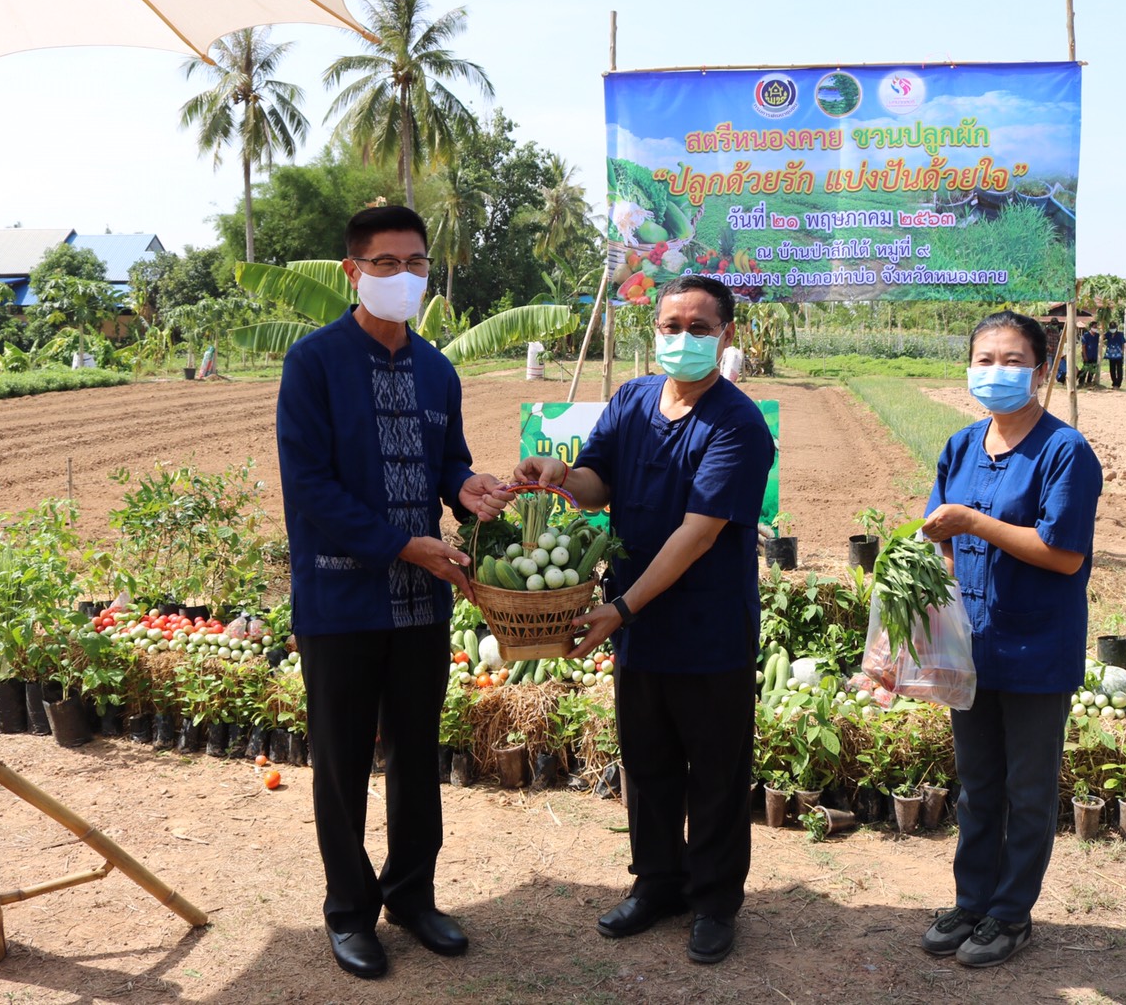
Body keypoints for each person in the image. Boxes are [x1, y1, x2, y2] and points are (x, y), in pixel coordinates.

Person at [276, 205, 513, 981]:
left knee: (416, 755)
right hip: (341, 602)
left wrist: (468, 486)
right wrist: (400, 543)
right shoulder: (313, 363)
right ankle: (351, 911)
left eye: (416, 264)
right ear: (353, 271)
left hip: (421, 602)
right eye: (386, 264)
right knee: (342, 762)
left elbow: (450, 462)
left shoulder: (437, 369)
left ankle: (412, 895)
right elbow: (310, 489)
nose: (403, 277)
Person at [513, 274, 773, 966]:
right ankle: (658, 882)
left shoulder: (738, 425)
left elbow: (697, 533)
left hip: (707, 627)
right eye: (669, 325)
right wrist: (560, 476)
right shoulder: (630, 399)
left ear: (726, 336)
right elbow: (599, 482)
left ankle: (716, 901)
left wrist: (622, 607)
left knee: (715, 772)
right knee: (650, 762)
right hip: (640, 627)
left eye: (697, 327)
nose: (680, 338)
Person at [916, 309, 1102, 968]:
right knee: (977, 784)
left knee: (1027, 790)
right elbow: (941, 541)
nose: (995, 372)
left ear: (1043, 369)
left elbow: (1063, 554)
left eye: (1012, 361)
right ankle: (972, 903)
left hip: (1035, 649)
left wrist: (973, 520)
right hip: (973, 645)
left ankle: (1009, 915)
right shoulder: (960, 447)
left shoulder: (1063, 451)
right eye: (985, 360)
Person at [1103, 321, 1126, 389]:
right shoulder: (1108, 334)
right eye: (1111, 328)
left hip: (1118, 354)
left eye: (1113, 328)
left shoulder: (1120, 334)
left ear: (1116, 328)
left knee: (1119, 370)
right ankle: (1114, 383)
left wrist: (1122, 352)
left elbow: (1123, 344)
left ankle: (1118, 384)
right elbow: (1102, 337)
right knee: (1112, 370)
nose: (1112, 329)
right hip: (1111, 355)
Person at [1078, 321, 1100, 387]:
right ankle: (1081, 382)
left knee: (1092, 370)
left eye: (1096, 327)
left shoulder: (1097, 335)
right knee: (1085, 369)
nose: (1095, 328)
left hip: (1094, 355)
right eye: (1094, 327)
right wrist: (1085, 356)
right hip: (1087, 355)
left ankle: (1089, 382)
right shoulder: (1086, 335)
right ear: (1091, 327)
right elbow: (1083, 346)